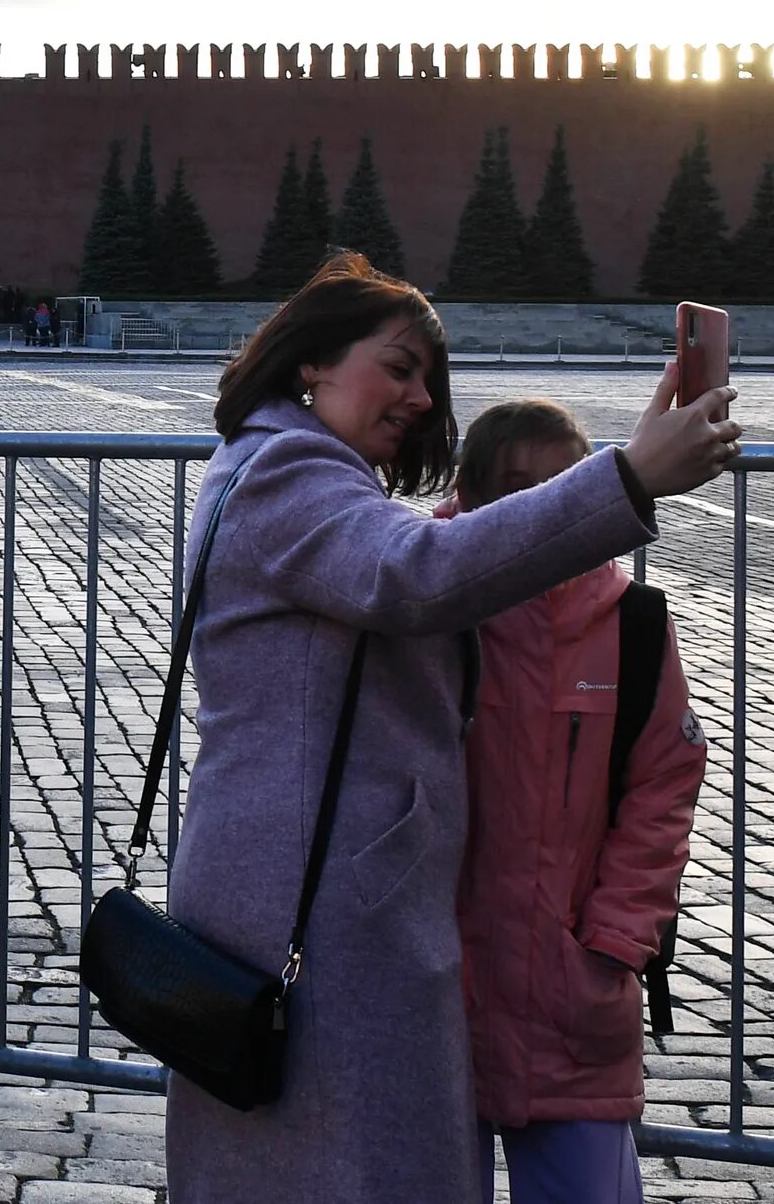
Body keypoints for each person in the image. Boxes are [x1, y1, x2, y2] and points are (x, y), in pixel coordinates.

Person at [160, 255, 739, 1204]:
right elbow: (417, 572)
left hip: (311, 886)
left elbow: (423, 559)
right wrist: (626, 479)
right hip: (321, 905)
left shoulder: (280, 468)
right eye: (398, 366)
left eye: (430, 375)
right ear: (311, 362)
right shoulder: (285, 474)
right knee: (351, 1168)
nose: (423, 396)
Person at [454, 400, 705, 1204]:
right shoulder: (434, 605)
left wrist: (619, 937)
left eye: (566, 484)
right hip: (434, 992)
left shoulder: (631, 620)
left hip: (572, 996)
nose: (548, 507)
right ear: (474, 499)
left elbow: (666, 777)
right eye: (519, 490)